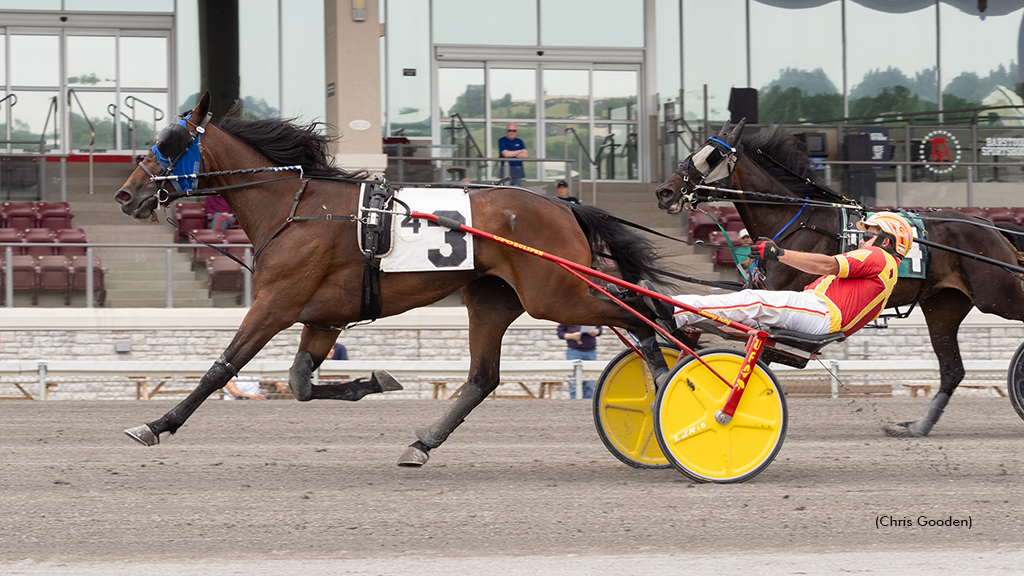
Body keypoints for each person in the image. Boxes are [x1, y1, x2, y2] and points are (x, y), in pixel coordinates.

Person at [648, 212, 911, 338]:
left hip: (823, 313)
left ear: (886, 241)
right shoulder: (888, 273)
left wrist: (778, 253)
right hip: (823, 319)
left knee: (755, 301)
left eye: (869, 235)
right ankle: (686, 325)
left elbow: (827, 265)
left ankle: (674, 310)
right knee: (742, 318)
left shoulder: (878, 257)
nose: (863, 240)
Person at [557, 324, 602, 399]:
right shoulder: (567, 316)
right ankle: (575, 404)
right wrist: (571, 336)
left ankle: (588, 404)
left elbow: (599, 329)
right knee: (574, 382)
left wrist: (596, 331)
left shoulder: (591, 314)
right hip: (574, 352)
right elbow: (560, 333)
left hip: (590, 351)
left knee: (590, 383)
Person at [223, 376, 287, 400]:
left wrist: (278, 382)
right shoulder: (230, 376)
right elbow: (234, 392)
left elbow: (266, 380)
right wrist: (252, 397)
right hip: (236, 403)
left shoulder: (252, 374)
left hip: (256, 402)